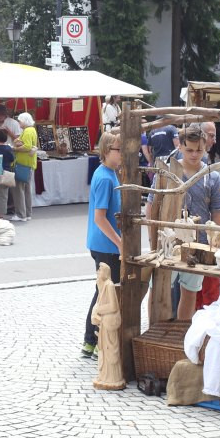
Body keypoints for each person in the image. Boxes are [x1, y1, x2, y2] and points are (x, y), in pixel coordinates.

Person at [169, 124, 220, 321]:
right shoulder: (170, 172)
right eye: (190, 150)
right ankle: (157, 334)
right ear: (180, 147)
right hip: (170, 243)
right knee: (161, 291)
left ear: (205, 147)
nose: (194, 154)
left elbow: (217, 214)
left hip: (199, 245)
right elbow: (152, 205)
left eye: (199, 150)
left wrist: (217, 240)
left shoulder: (213, 176)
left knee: (190, 292)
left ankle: (183, 335)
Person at [82, 130, 123, 359]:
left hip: (104, 243)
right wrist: (119, 243)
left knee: (102, 292)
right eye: (119, 150)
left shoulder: (109, 173)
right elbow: (100, 217)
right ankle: (95, 340)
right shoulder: (105, 178)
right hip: (105, 245)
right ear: (107, 151)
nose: (122, 154)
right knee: (106, 294)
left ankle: (91, 341)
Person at [11, 112, 39, 221]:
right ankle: (27, 213)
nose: (19, 123)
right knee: (26, 189)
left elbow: (26, 146)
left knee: (19, 189)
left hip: (23, 163)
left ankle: (20, 214)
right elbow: (26, 144)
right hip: (29, 163)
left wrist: (15, 148)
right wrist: (18, 142)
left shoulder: (27, 131)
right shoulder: (32, 130)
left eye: (20, 121)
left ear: (24, 121)